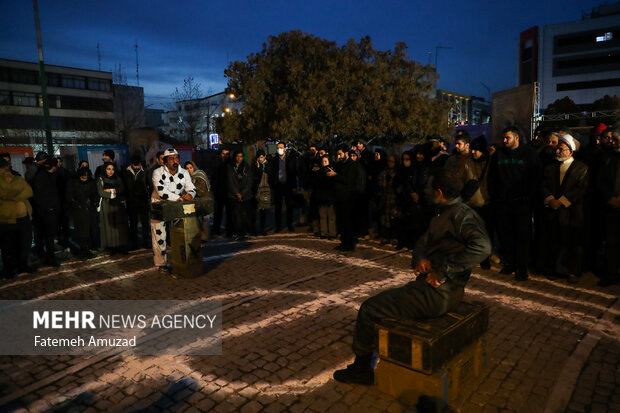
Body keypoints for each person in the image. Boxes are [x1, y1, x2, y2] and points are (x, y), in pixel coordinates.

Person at [333, 168, 491, 385]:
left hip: (438, 293)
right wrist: (420, 258)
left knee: (369, 309)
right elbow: (422, 242)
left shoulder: (461, 215)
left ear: (439, 192)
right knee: (395, 302)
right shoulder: (443, 212)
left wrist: (442, 270)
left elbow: (482, 247)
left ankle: (361, 370)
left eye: (430, 191)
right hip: (437, 290)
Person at [488, 126, 541, 281]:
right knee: (506, 235)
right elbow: (492, 178)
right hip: (503, 202)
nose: (504, 141)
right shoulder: (499, 154)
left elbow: (536, 176)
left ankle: (522, 267)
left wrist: (528, 196)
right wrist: (496, 196)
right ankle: (510, 263)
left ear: (516, 138)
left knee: (523, 236)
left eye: (507, 138)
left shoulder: (529, 154)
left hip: (522, 203)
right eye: (503, 138)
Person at [538, 134, 588, 284]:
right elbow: (544, 185)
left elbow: (580, 189)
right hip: (553, 210)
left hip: (572, 212)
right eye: (557, 148)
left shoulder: (581, 168)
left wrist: (561, 202)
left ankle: (572, 271)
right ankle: (554, 269)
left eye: (561, 149)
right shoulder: (550, 168)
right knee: (553, 240)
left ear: (570, 152)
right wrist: (550, 199)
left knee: (571, 242)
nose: (557, 151)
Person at [150, 148, 196, 271]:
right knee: (159, 236)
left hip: (176, 206)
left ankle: (183, 259)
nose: (175, 161)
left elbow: (191, 187)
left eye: (176, 158)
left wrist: (190, 194)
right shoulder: (157, 172)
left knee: (181, 233)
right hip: (159, 206)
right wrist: (179, 198)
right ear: (165, 161)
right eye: (171, 159)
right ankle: (161, 264)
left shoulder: (184, 172)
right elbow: (161, 192)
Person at [0, 158, 34, 277]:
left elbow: (29, 191)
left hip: (24, 217)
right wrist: (17, 192)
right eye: (5, 167)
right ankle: (9, 269)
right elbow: (4, 193)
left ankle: (22, 265)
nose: (7, 169)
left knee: (25, 243)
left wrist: (13, 195)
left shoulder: (17, 177)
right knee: (8, 245)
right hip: (7, 219)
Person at [463, 136, 493, 269]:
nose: (473, 152)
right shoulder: (467, 163)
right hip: (471, 204)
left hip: (487, 204)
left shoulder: (490, 162)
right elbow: (462, 181)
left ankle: (485, 259)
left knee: (486, 233)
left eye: (476, 150)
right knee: (472, 233)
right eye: (472, 150)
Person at [328, 147, 364, 251]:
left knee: (347, 222)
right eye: (337, 154)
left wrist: (336, 175)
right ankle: (343, 242)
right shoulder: (340, 164)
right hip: (338, 198)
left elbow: (349, 180)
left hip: (348, 198)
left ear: (346, 153)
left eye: (340, 154)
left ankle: (348, 244)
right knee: (341, 222)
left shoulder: (352, 165)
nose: (338, 156)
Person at [596, 129, 620, 286]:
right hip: (612, 207)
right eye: (614, 139)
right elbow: (601, 181)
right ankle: (611, 274)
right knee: (612, 243)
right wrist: (610, 198)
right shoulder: (608, 158)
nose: (614, 142)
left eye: (617, 140)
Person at [29, 156, 62, 267]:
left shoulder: (43, 176)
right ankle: (49, 258)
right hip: (46, 212)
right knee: (48, 235)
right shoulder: (44, 177)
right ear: (54, 166)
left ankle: (47, 256)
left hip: (45, 211)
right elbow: (39, 196)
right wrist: (49, 207)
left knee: (46, 235)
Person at [66, 166, 99, 259]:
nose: (84, 180)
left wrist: (94, 202)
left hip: (90, 209)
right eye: (83, 178)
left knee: (91, 229)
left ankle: (88, 248)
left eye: (86, 178)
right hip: (79, 210)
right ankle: (83, 249)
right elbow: (69, 196)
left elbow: (94, 194)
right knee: (82, 230)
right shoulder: (73, 182)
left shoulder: (91, 182)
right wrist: (76, 204)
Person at [96, 161, 129, 254]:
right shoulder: (100, 179)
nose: (111, 171)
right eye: (108, 169)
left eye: (113, 169)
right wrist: (114, 193)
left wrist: (110, 190)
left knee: (118, 225)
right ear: (104, 169)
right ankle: (111, 246)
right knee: (108, 226)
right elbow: (101, 192)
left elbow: (121, 189)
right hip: (106, 205)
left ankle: (120, 245)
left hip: (117, 204)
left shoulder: (118, 179)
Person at [123, 155, 151, 250]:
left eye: (138, 165)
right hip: (131, 201)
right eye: (135, 165)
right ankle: (134, 243)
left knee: (145, 223)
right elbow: (125, 187)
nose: (136, 167)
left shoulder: (145, 171)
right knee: (133, 223)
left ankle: (145, 242)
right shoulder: (126, 172)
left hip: (143, 201)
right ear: (131, 164)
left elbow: (150, 185)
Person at [269, 142, 298, 232]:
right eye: (278, 148)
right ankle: (278, 226)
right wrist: (273, 185)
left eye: (281, 147)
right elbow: (272, 174)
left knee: (289, 207)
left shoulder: (290, 160)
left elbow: (293, 174)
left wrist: (294, 186)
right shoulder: (274, 160)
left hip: (288, 186)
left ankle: (290, 225)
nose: (279, 149)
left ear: (285, 149)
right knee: (278, 208)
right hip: (278, 186)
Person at [227, 150, 254, 240]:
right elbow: (230, 181)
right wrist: (236, 193)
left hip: (245, 195)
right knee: (235, 216)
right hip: (233, 195)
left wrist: (242, 193)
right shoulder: (230, 167)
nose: (239, 158)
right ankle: (237, 233)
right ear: (235, 157)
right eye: (237, 156)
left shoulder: (246, 167)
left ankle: (246, 232)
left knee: (245, 215)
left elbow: (249, 182)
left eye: (241, 156)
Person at [185, 160, 212, 242]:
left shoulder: (199, 175)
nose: (189, 170)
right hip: (197, 201)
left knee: (205, 219)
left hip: (204, 200)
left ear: (194, 167)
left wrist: (190, 191)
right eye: (186, 168)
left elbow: (201, 191)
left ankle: (205, 237)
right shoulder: (189, 178)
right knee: (198, 220)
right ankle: (200, 236)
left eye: (190, 167)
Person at [374, 155, 398, 241]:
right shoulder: (384, 172)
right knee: (384, 217)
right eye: (389, 161)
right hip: (384, 197)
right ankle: (385, 235)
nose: (390, 163)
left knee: (393, 216)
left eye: (392, 161)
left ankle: (393, 236)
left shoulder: (397, 172)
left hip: (393, 197)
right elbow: (380, 183)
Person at [211, 148, 231, 236]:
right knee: (218, 212)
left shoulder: (229, 163)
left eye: (227, 154)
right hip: (218, 191)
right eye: (224, 153)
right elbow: (213, 176)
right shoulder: (216, 162)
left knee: (229, 212)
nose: (225, 155)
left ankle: (228, 229)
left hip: (228, 191)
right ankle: (216, 230)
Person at [252, 150, 271, 236]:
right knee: (255, 210)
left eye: (261, 157)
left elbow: (265, 176)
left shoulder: (267, 165)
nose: (260, 159)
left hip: (264, 190)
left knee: (263, 210)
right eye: (258, 157)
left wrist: (259, 168)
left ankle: (262, 229)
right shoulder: (254, 165)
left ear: (264, 157)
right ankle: (255, 229)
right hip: (256, 189)